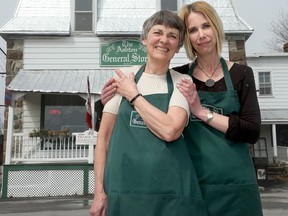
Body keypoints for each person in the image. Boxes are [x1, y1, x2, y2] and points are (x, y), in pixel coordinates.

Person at [99, 1, 263, 216]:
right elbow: (147, 116)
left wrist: (202, 112)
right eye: (193, 30)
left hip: (236, 183)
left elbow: (251, 131)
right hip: (191, 181)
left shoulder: (241, 74)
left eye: (206, 26)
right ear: (186, 40)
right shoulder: (179, 75)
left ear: (216, 27)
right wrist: (105, 101)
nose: (201, 35)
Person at [89, 10, 208, 216]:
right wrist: (99, 192)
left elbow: (170, 130)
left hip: (171, 194)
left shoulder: (182, 82)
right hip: (123, 191)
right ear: (144, 40)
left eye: (172, 36)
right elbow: (104, 138)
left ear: (178, 47)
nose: (164, 40)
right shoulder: (124, 77)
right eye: (157, 33)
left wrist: (133, 95)